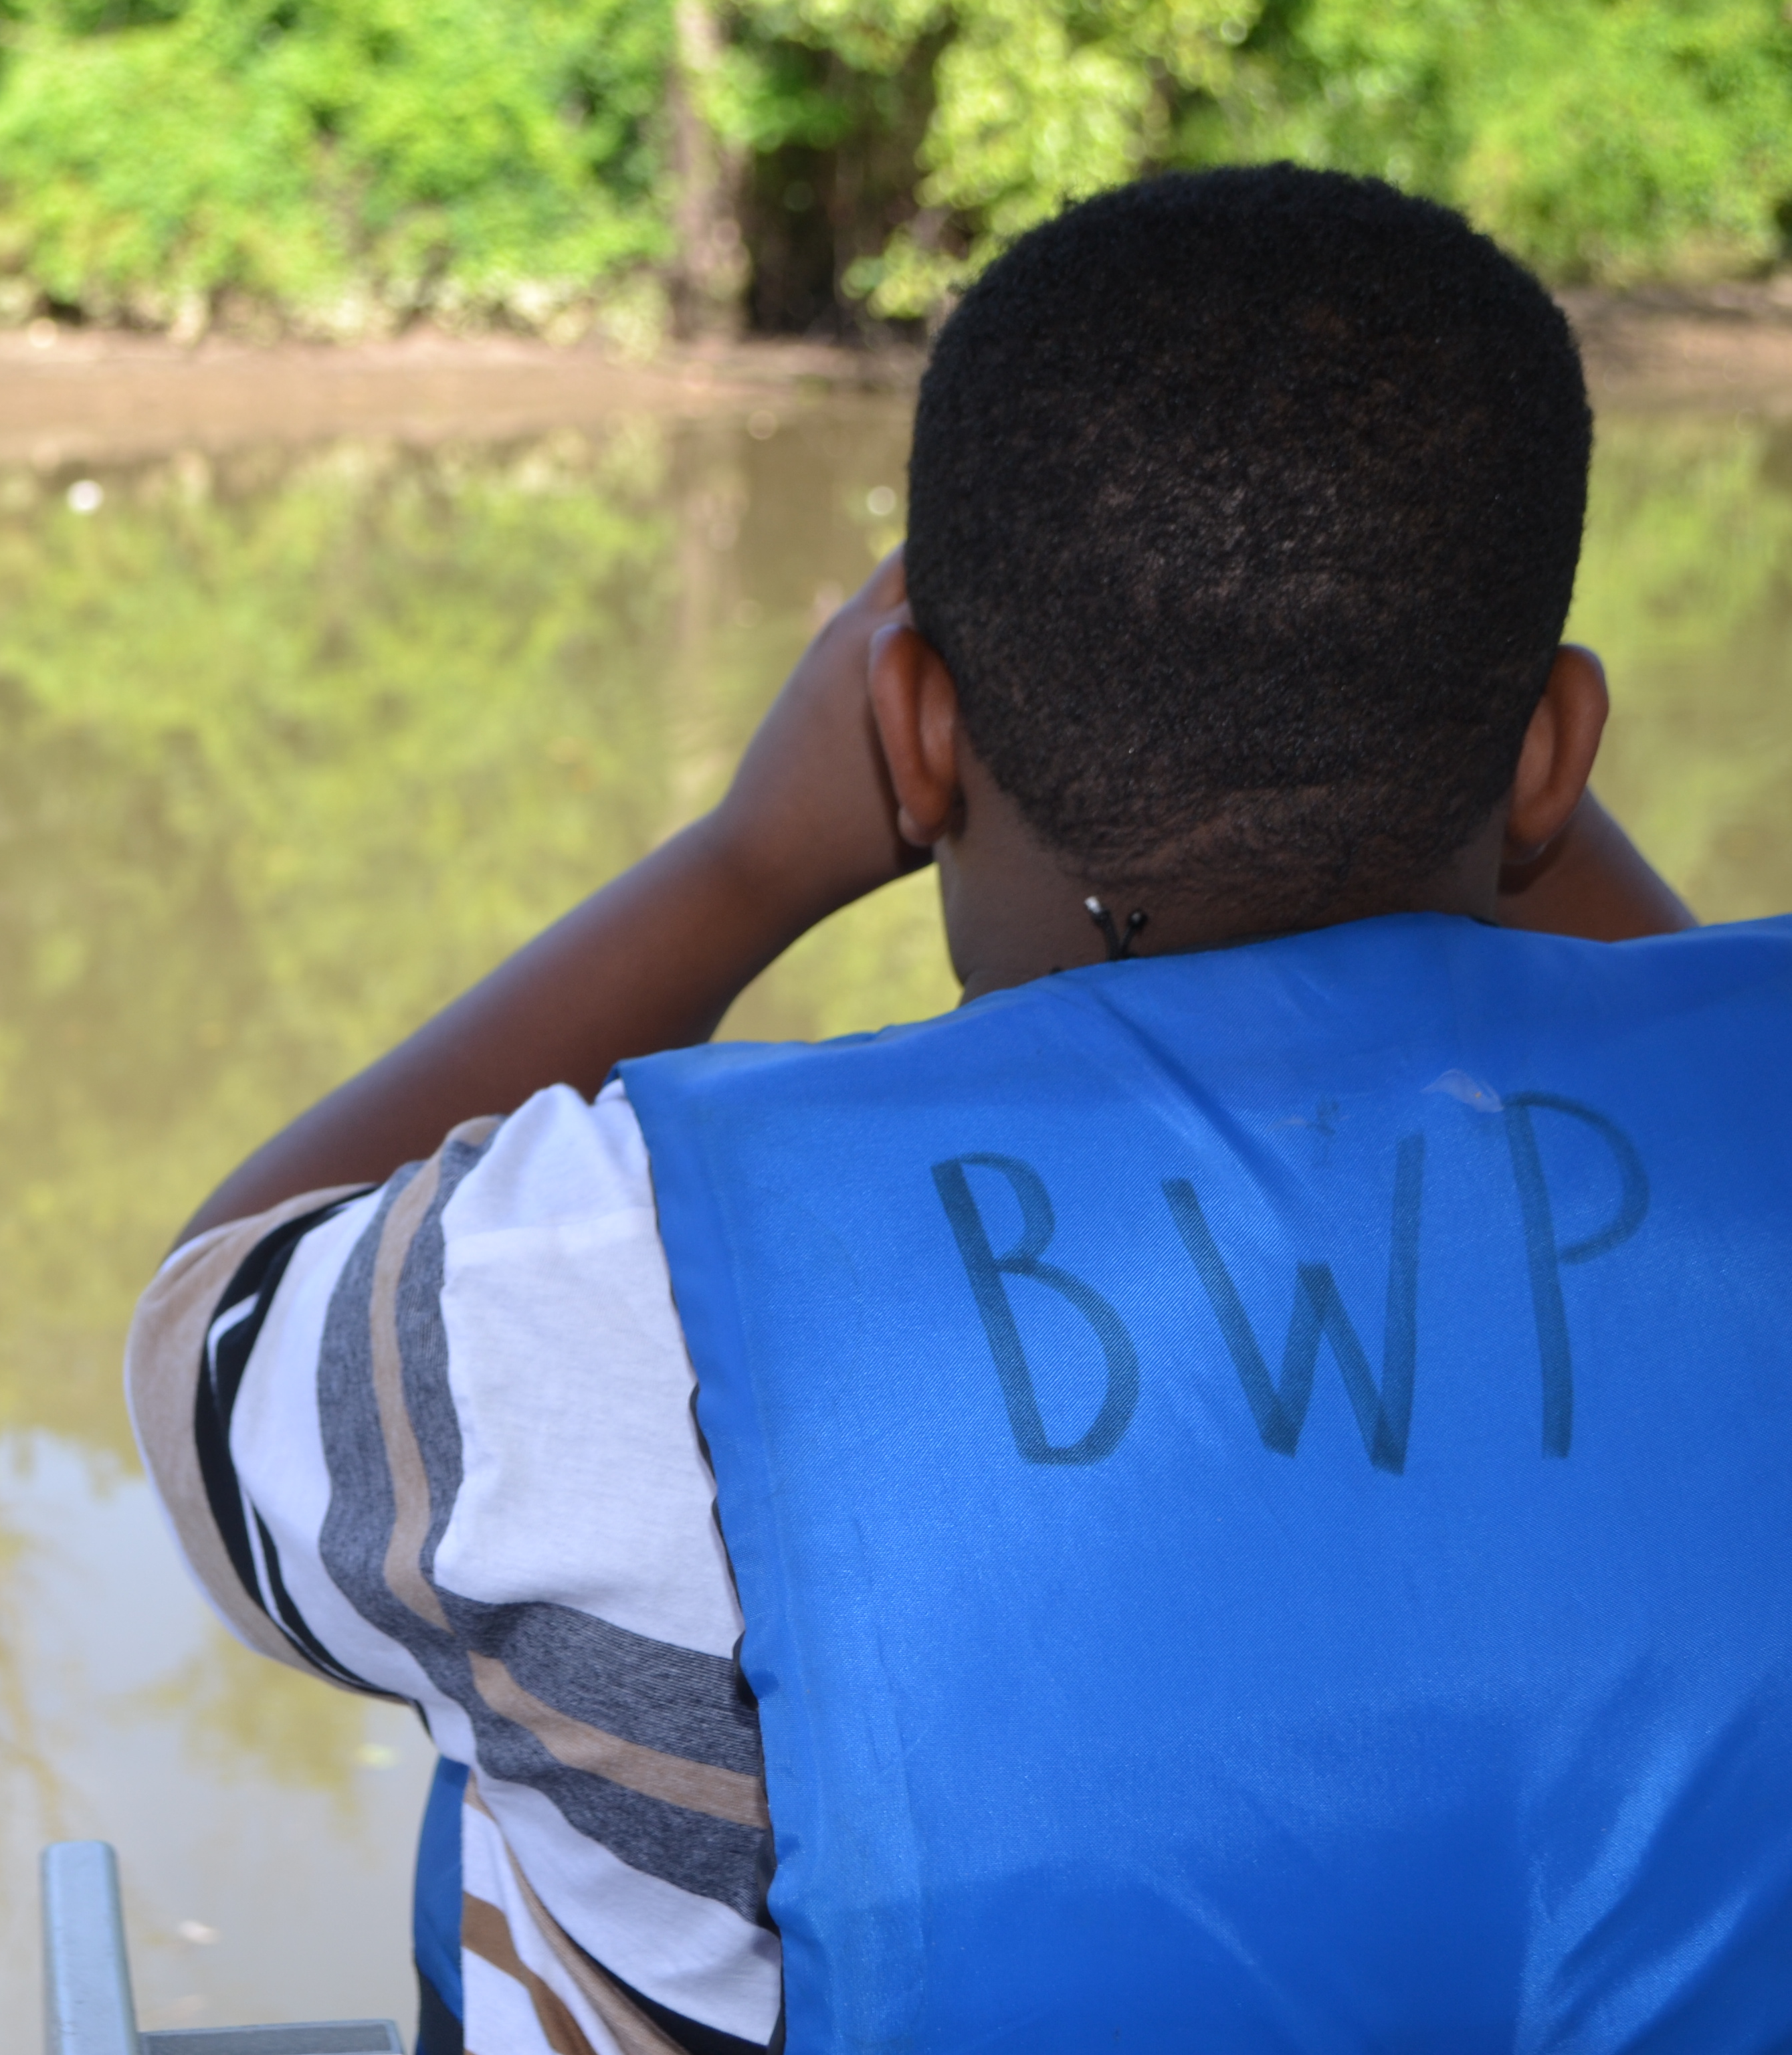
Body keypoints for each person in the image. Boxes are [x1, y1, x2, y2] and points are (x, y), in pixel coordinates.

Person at [123, 163, 1792, 2053]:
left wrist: (746, 863)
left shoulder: (603, 1294)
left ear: (914, 728)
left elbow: (216, 1334)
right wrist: (1508, 815)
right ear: (1559, 745)